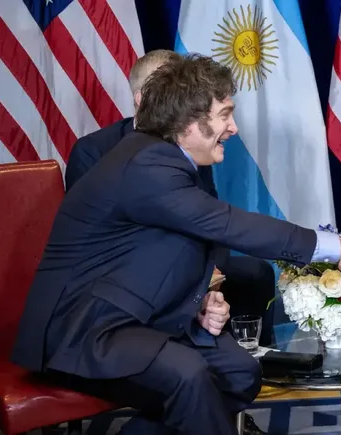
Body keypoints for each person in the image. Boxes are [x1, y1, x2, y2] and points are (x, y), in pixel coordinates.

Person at [12, 54, 341, 435]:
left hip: (140, 316)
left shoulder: (164, 157)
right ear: (188, 120)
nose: (234, 127)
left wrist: (200, 299)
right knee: (188, 376)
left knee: (240, 372)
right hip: (86, 329)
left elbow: (160, 250)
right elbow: (231, 225)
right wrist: (340, 248)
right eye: (225, 115)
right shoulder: (147, 164)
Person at [65, 49, 278, 346]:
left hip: (194, 260)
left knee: (255, 273)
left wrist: (211, 275)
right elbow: (95, 242)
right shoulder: (94, 152)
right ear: (143, 99)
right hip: (131, 272)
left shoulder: (192, 142)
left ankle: (259, 357)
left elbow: (210, 215)